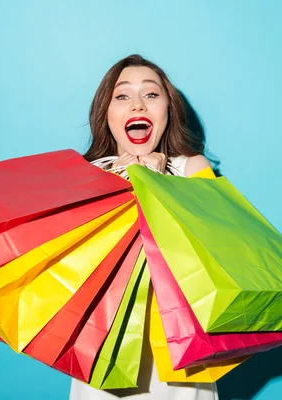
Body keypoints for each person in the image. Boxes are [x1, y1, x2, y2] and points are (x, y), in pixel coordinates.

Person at [72, 54, 218, 399]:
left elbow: (212, 258)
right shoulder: (84, 177)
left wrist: (158, 186)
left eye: (151, 95)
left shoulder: (191, 168)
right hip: (106, 350)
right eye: (122, 96)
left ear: (169, 110)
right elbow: (80, 276)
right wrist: (117, 184)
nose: (137, 105)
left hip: (182, 356)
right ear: (106, 115)